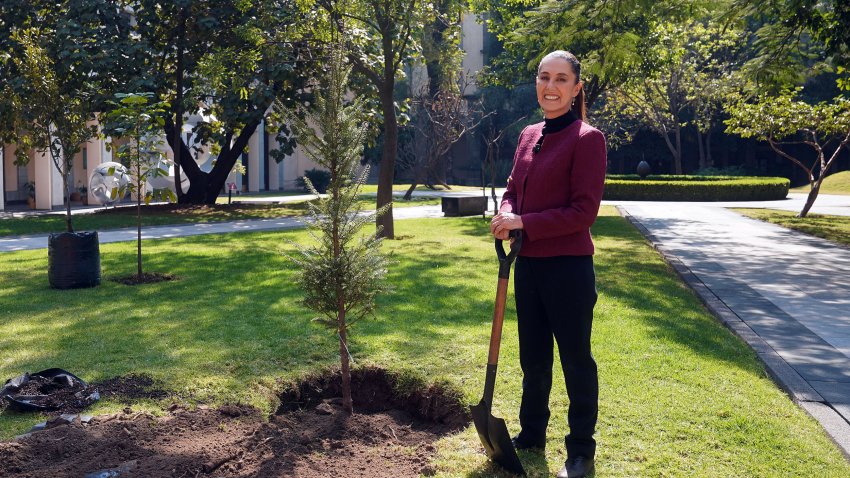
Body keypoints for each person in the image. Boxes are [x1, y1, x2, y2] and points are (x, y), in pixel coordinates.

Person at [489, 50, 607, 478]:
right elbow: (512, 189)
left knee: (576, 360)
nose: (551, 86)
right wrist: (506, 213)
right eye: (544, 77)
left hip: (569, 268)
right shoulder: (528, 134)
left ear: (576, 88)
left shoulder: (587, 139)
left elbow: (583, 212)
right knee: (533, 356)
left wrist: (524, 221)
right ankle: (532, 433)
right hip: (529, 265)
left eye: (561, 79)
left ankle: (580, 452)